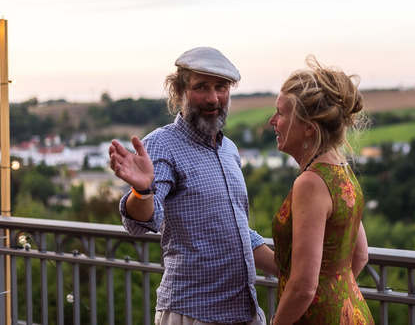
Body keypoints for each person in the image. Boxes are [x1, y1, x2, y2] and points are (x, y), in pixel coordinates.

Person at [109, 46, 277, 325]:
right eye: (201, 87)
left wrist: (292, 272)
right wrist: (142, 191)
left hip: (243, 312)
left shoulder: (229, 149)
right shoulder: (162, 145)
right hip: (192, 313)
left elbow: (236, 231)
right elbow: (141, 222)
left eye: (221, 87)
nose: (213, 98)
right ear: (179, 92)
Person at [268, 56, 374, 324]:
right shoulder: (342, 172)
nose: (272, 120)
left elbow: (303, 287)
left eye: (281, 113)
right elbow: (360, 256)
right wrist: (335, 295)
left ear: (308, 127)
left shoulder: (311, 183)